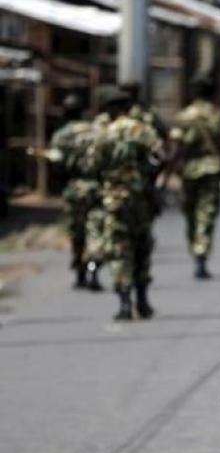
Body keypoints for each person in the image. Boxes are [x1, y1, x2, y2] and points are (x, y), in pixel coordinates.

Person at [91, 86, 164, 320]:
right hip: (140, 198)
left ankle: (124, 303)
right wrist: (149, 179)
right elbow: (160, 156)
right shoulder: (142, 130)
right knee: (142, 246)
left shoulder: (104, 134)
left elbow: (94, 166)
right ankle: (142, 301)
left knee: (119, 249)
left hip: (114, 200)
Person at [168, 76, 220, 280]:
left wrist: (171, 169)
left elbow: (176, 148)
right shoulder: (219, 115)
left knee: (190, 212)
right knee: (207, 212)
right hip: (212, 169)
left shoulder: (183, 117)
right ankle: (201, 255)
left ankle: (196, 249)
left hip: (188, 171)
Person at [49, 94, 99, 289]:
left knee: (77, 232)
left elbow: (56, 164)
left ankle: (80, 274)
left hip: (74, 188)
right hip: (95, 188)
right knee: (95, 229)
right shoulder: (95, 131)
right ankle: (94, 268)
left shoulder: (61, 135)